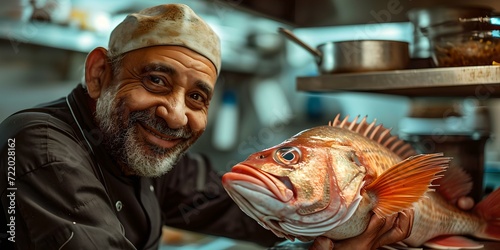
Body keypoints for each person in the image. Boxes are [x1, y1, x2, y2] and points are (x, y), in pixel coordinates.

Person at [0, 3, 471, 250]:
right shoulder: (39, 149)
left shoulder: (132, 149)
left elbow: (220, 201)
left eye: (198, 97)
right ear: (99, 73)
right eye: (156, 80)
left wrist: (332, 223)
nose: (176, 113)